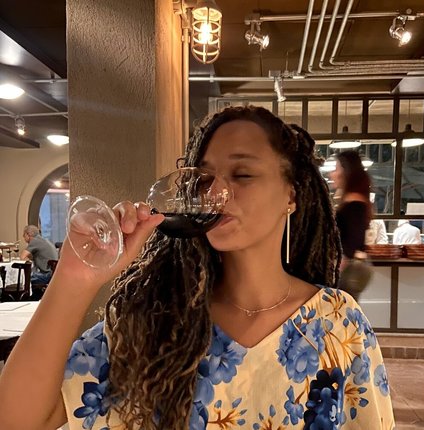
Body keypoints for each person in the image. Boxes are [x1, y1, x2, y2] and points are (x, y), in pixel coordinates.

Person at [0, 106, 394, 430]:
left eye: (242, 174)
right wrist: (75, 276)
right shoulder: (152, 321)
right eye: (205, 179)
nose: (217, 191)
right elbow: (16, 418)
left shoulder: (338, 323)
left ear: (291, 194)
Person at [330, 151, 374, 300]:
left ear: (346, 172)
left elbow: (353, 239)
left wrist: (340, 264)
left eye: (336, 168)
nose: (332, 174)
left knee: (343, 310)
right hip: (350, 268)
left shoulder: (354, 203)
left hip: (348, 270)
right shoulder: (354, 200)